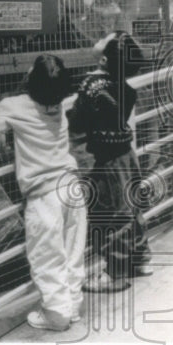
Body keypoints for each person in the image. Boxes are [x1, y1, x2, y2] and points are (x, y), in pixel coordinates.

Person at [0, 55, 87, 331]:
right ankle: (72, 305)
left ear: (31, 79)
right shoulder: (61, 103)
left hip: (44, 194)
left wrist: (4, 130)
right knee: (72, 250)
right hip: (71, 185)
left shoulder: (14, 106)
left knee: (47, 255)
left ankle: (56, 314)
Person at [68, 31, 151, 292]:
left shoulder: (90, 86)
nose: (99, 37)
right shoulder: (126, 88)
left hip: (105, 160)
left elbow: (78, 122)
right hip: (127, 154)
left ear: (103, 59)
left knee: (111, 217)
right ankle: (140, 259)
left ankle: (114, 274)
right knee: (132, 209)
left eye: (103, 38)